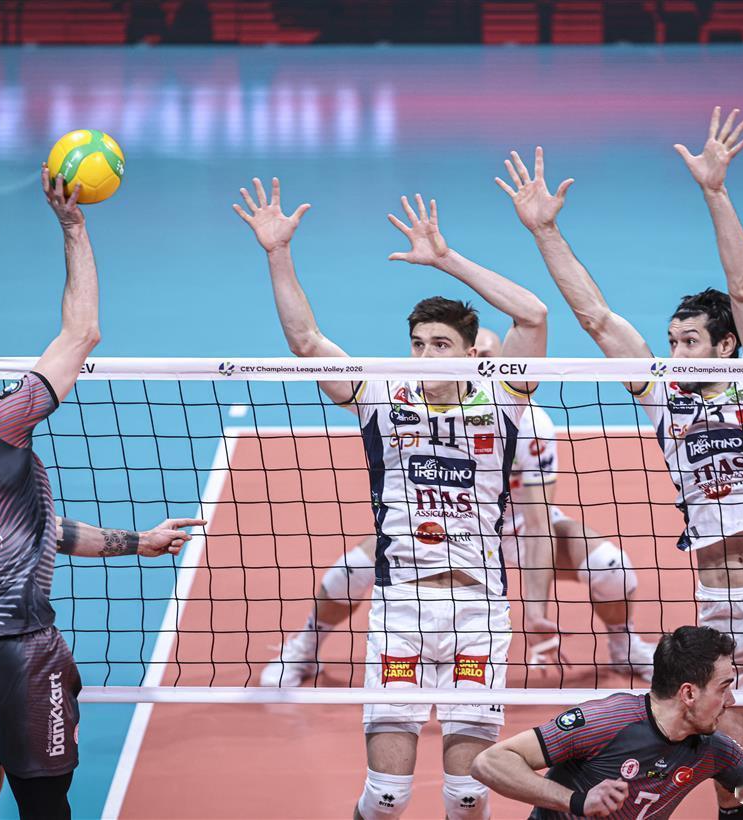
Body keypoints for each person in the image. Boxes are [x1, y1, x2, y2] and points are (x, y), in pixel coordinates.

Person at [496, 109, 743, 820]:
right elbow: (595, 318)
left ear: (726, 347)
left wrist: (715, 190)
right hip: (722, 611)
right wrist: (544, 231)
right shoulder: (663, 396)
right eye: (671, 340)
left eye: (689, 341)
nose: (675, 351)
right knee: (734, 781)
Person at [0, 168, 205, 820]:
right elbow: (81, 334)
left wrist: (138, 542)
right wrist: (73, 226)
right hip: (18, 654)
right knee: (46, 810)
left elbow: (37, 533)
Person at [234, 177, 547, 819]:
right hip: (401, 607)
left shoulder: (503, 400)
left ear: (471, 353)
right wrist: (277, 252)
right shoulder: (382, 395)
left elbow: (533, 316)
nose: (426, 355)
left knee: (467, 796)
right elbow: (307, 342)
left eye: (441, 345)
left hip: (479, 611)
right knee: (385, 798)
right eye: (418, 344)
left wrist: (446, 259)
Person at [259, 326, 655, 688]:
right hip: (443, 523)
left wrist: (536, 611)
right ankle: (306, 647)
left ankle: (623, 644)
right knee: (350, 571)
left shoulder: (528, 423)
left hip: (515, 526)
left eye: (490, 358)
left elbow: (539, 524)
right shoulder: (416, 408)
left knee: (612, 568)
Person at [471, 625, 743, 819]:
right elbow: (489, 762)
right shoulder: (605, 721)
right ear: (688, 693)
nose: (732, 701)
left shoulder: (717, 752)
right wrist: (577, 801)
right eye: (724, 687)